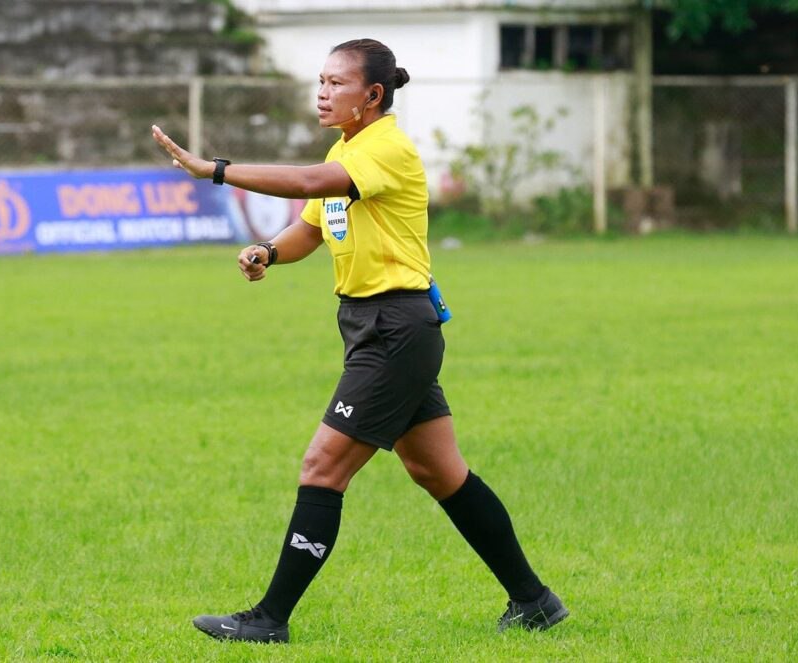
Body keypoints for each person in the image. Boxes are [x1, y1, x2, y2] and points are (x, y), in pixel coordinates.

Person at [151, 38, 567, 644]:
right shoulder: (346, 149)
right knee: (439, 471)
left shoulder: (386, 148)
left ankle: (269, 619)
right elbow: (312, 229)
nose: (322, 93)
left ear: (372, 95)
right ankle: (535, 601)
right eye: (320, 81)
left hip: (395, 330)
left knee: (322, 466)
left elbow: (306, 183)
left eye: (336, 83)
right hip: (379, 329)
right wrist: (267, 251)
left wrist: (213, 169)